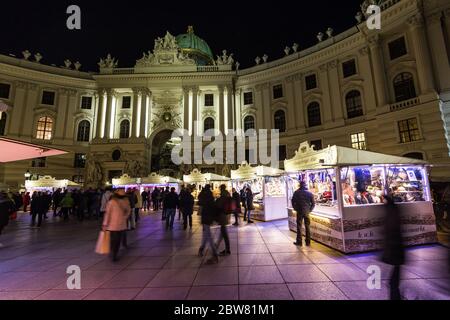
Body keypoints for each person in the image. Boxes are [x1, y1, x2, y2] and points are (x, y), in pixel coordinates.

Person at [381, 195, 405, 300]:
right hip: (395, 250)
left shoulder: (391, 213)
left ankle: (395, 298)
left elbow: (391, 231)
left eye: (383, 201)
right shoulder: (394, 211)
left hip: (394, 250)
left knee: (393, 281)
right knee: (394, 280)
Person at [102, 188, 131, 262]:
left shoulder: (125, 201)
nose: (123, 193)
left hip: (119, 225)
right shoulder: (112, 202)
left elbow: (128, 210)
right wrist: (105, 223)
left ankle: (114, 253)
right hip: (114, 225)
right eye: (122, 192)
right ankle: (113, 253)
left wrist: (125, 217)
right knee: (115, 240)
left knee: (116, 240)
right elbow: (108, 214)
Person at [198, 184, 219, 264]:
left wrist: (202, 192)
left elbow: (200, 201)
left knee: (208, 236)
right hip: (208, 217)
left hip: (205, 217)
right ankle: (201, 249)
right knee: (205, 234)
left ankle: (214, 254)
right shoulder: (210, 196)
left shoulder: (204, 196)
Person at [292, 181, 315, 246]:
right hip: (307, 212)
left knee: (299, 226)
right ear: (305, 185)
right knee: (307, 226)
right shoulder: (309, 193)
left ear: (300, 185)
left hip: (299, 211)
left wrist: (295, 208)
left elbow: (293, 202)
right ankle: (308, 242)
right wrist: (309, 210)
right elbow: (313, 203)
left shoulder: (296, 192)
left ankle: (299, 242)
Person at [215, 184, 232, 256]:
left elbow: (218, 205)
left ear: (221, 188)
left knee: (224, 233)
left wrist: (216, 201)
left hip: (223, 216)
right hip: (227, 215)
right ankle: (217, 246)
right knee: (223, 232)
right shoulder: (227, 194)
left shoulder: (222, 196)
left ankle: (227, 250)